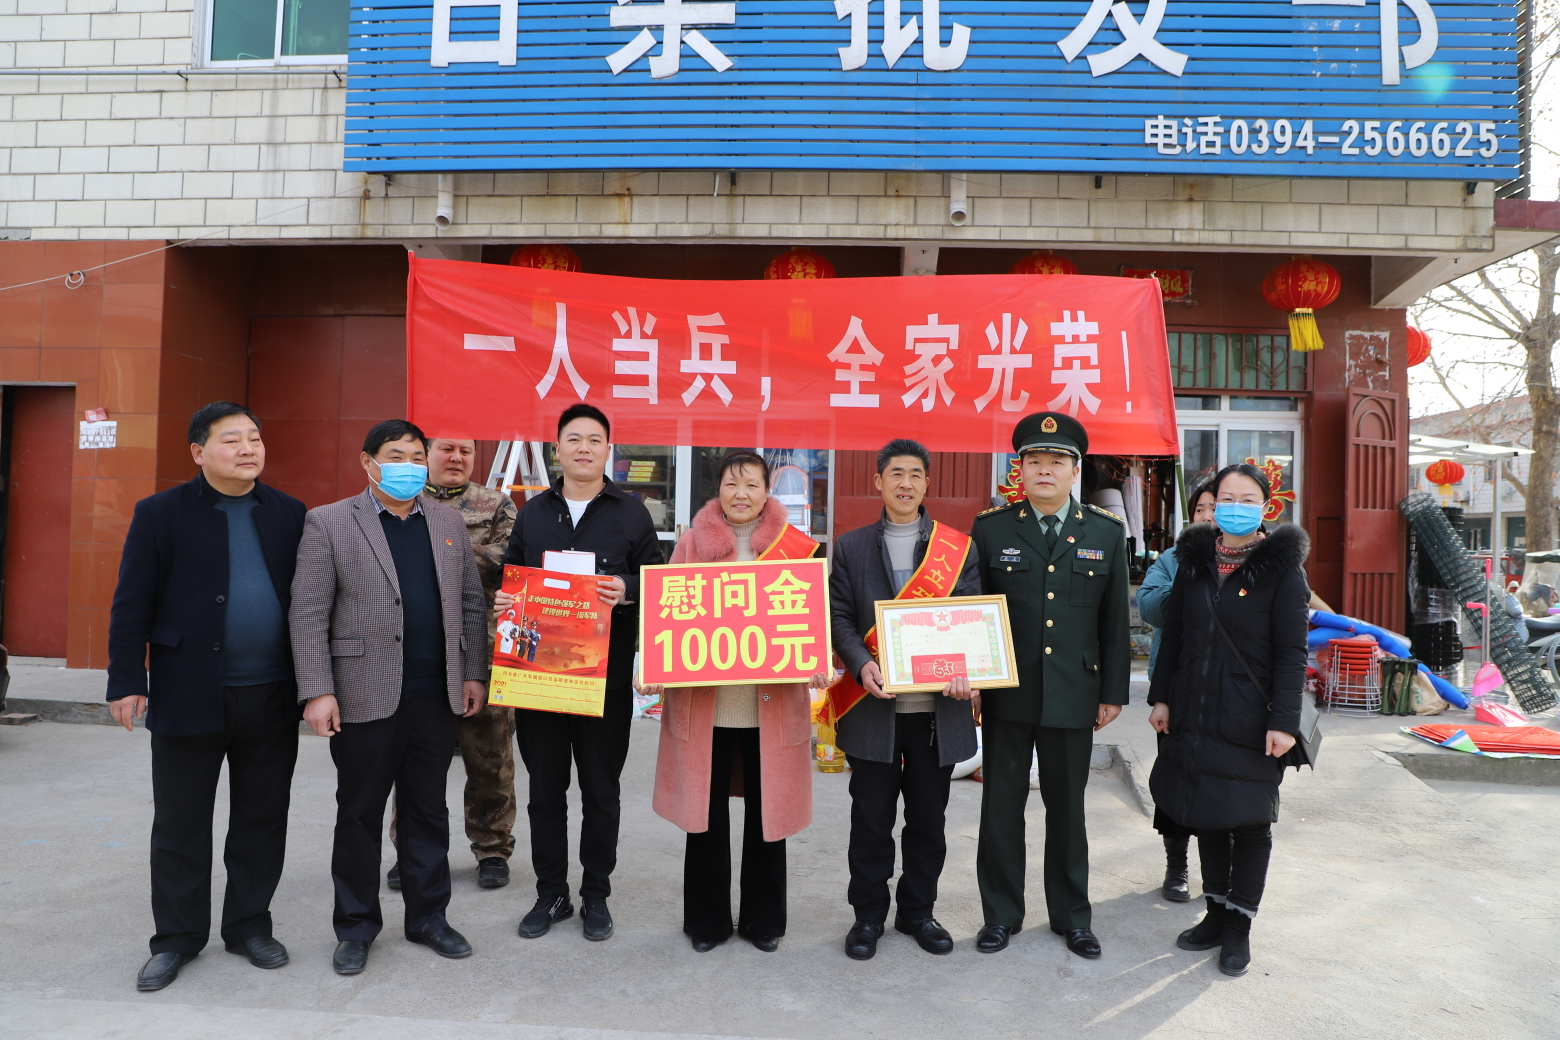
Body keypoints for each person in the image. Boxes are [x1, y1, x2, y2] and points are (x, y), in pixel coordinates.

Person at [106, 402, 307, 993]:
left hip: (271, 693)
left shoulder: (290, 513)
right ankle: (176, 938)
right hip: (188, 691)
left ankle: (249, 926)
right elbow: (131, 602)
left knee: (262, 818)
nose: (248, 449)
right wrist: (126, 679)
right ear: (198, 452)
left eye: (255, 438)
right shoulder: (160, 513)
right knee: (180, 822)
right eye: (232, 440)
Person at [290, 419, 489, 976]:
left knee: (427, 811)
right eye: (396, 456)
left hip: (436, 694)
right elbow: (308, 614)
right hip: (364, 693)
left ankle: (429, 918)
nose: (410, 466)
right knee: (359, 814)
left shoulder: (447, 522)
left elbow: (470, 603)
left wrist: (473, 673)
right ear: (368, 462)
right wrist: (318, 690)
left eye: (417, 456)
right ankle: (355, 927)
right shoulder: (329, 522)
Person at [640, 451, 827, 953]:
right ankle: (707, 923)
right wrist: (652, 667)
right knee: (706, 817)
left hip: (771, 706)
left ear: (767, 492)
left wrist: (818, 659)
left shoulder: (795, 548)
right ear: (717, 490)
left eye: (751, 484)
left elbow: (813, 623)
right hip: (710, 707)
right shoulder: (690, 544)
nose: (741, 494)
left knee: (769, 817)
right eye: (731, 483)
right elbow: (665, 619)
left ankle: (764, 922)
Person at [495, 404, 662, 942]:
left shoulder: (631, 514)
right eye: (574, 439)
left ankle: (595, 895)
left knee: (600, 791)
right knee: (545, 791)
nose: (584, 448)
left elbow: (657, 583)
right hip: (539, 678)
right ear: (558, 449)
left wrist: (626, 588)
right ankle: (551, 894)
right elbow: (512, 575)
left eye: (594, 439)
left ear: (608, 450)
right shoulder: (533, 513)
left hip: (604, 680)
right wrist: (506, 601)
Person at [968, 411, 1129, 959]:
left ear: (1074, 470)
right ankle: (1000, 915)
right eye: (1033, 460)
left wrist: (1113, 691)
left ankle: (1072, 917)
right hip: (1007, 691)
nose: (1044, 470)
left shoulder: (1105, 531)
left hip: (1074, 692)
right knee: (1000, 809)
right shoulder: (992, 529)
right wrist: (975, 681)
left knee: (1067, 811)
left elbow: (1114, 619)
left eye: (1056, 461)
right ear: (1019, 469)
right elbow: (975, 609)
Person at [1147, 463, 1308, 978]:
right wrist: (1161, 698)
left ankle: (1239, 926)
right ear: (1213, 506)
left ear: (1266, 507)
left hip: (1252, 715)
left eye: (1247, 499)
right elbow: (1173, 636)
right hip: (1194, 709)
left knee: (1251, 822)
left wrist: (1283, 721)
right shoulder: (1194, 561)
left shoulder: (1283, 570)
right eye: (1226, 499)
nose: (1235, 507)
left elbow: (1292, 653)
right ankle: (1215, 914)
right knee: (1208, 813)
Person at [827, 439, 982, 960]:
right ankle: (867, 916)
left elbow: (970, 617)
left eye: (916, 474)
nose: (906, 483)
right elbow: (839, 618)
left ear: (927, 483)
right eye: (896, 473)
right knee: (870, 821)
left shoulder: (956, 547)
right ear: (878, 481)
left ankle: (918, 912)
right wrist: (860, 662)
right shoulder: (849, 547)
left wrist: (967, 673)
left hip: (936, 710)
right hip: (873, 705)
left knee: (928, 821)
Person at [385, 437, 519, 893]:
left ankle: (492, 849)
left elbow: (508, 560)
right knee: (415, 764)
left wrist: (434, 553)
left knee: (491, 759)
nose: (457, 457)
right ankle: (412, 851)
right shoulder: (403, 502)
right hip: (419, 653)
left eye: (466, 450)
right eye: (446, 449)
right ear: (426, 455)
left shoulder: (496, 505)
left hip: (484, 652)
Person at [1135, 481, 1217, 903]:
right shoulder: (1172, 559)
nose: (1207, 515)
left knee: (1222, 783)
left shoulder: (1251, 560)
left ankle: (1219, 871)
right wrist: (1189, 584)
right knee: (1175, 777)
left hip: (1230, 693)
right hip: (1177, 688)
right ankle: (1176, 865)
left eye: (1216, 506)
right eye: (1200, 509)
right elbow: (1148, 606)